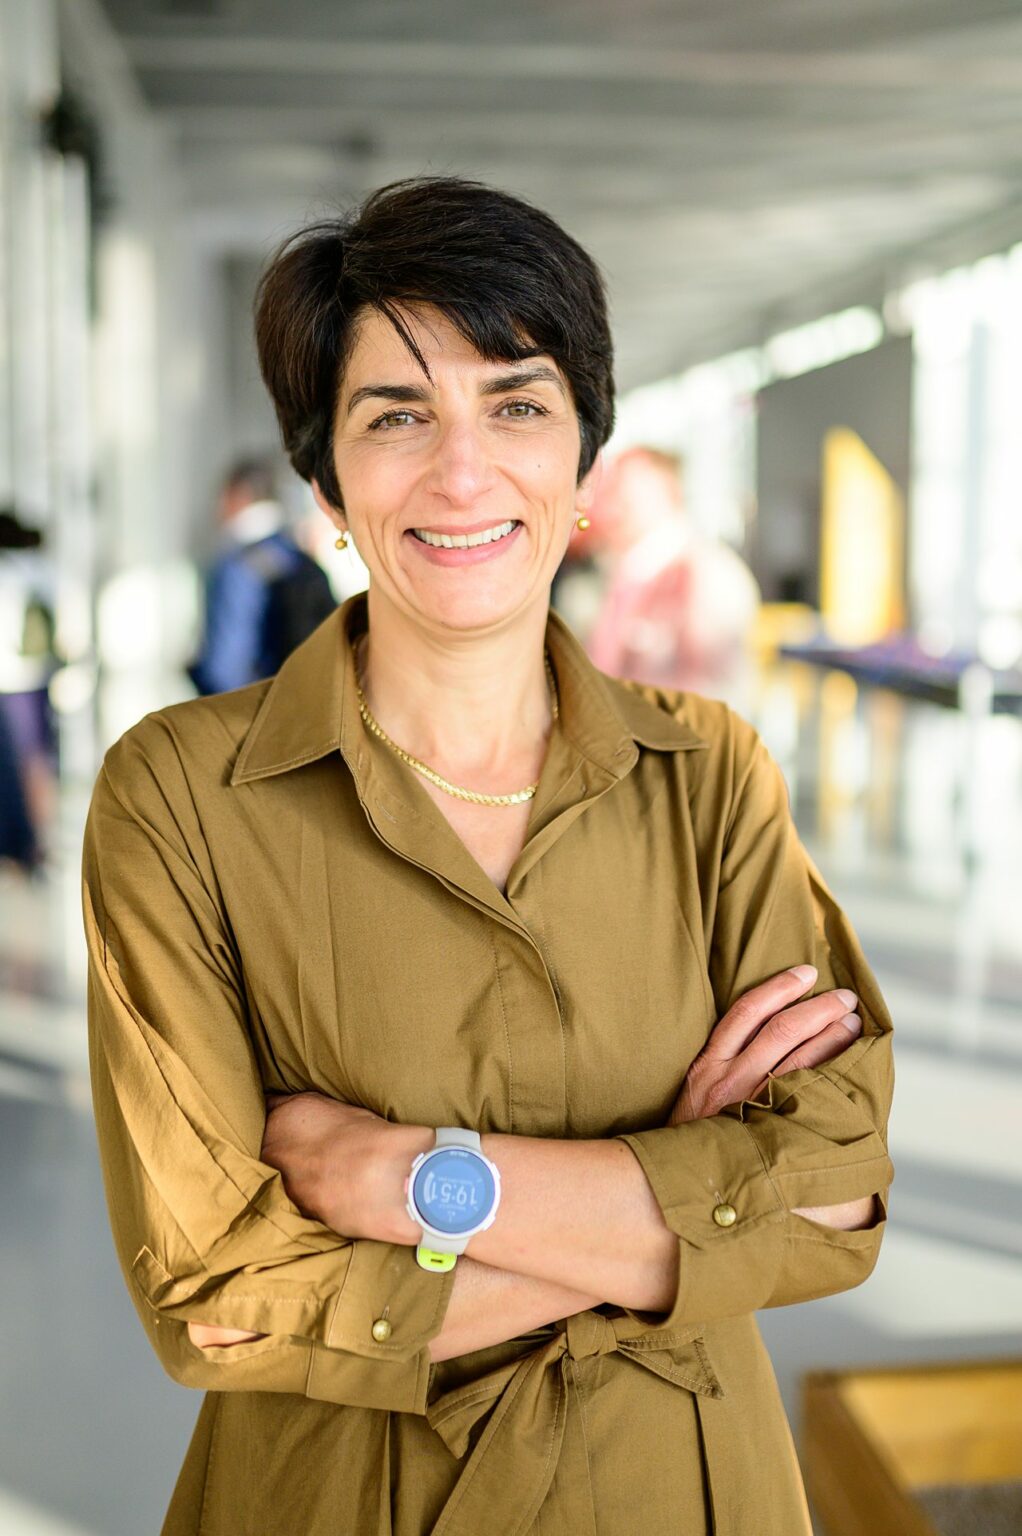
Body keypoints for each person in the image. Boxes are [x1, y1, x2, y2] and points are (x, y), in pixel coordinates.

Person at [82, 176, 893, 1536]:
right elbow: (218, 1299)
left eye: (515, 404)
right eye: (396, 416)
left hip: (683, 1492)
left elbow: (835, 1191)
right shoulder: (182, 798)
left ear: (582, 463)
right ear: (326, 481)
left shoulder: (708, 774)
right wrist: (688, 1197)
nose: (462, 470)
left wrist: (411, 1183)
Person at [586, 447, 761, 709]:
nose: (611, 508)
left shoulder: (706, 577)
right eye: (610, 492)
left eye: (624, 493)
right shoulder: (626, 574)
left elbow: (709, 693)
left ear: (667, 492)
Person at [188, 457, 336, 695]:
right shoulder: (298, 557)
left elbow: (225, 670)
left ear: (238, 495)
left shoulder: (237, 565)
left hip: (255, 716)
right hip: (305, 705)